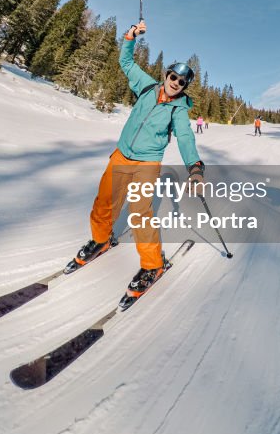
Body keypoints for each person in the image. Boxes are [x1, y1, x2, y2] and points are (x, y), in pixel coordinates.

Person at [64, 21, 205, 306]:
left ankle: (153, 265)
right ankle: (101, 239)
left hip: (147, 163)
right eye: (173, 77)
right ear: (166, 75)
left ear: (184, 87)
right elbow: (126, 62)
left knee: (140, 213)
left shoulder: (178, 110)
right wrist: (130, 37)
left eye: (182, 82)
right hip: (121, 154)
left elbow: (185, 137)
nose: (175, 83)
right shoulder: (147, 86)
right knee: (104, 202)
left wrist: (195, 166)